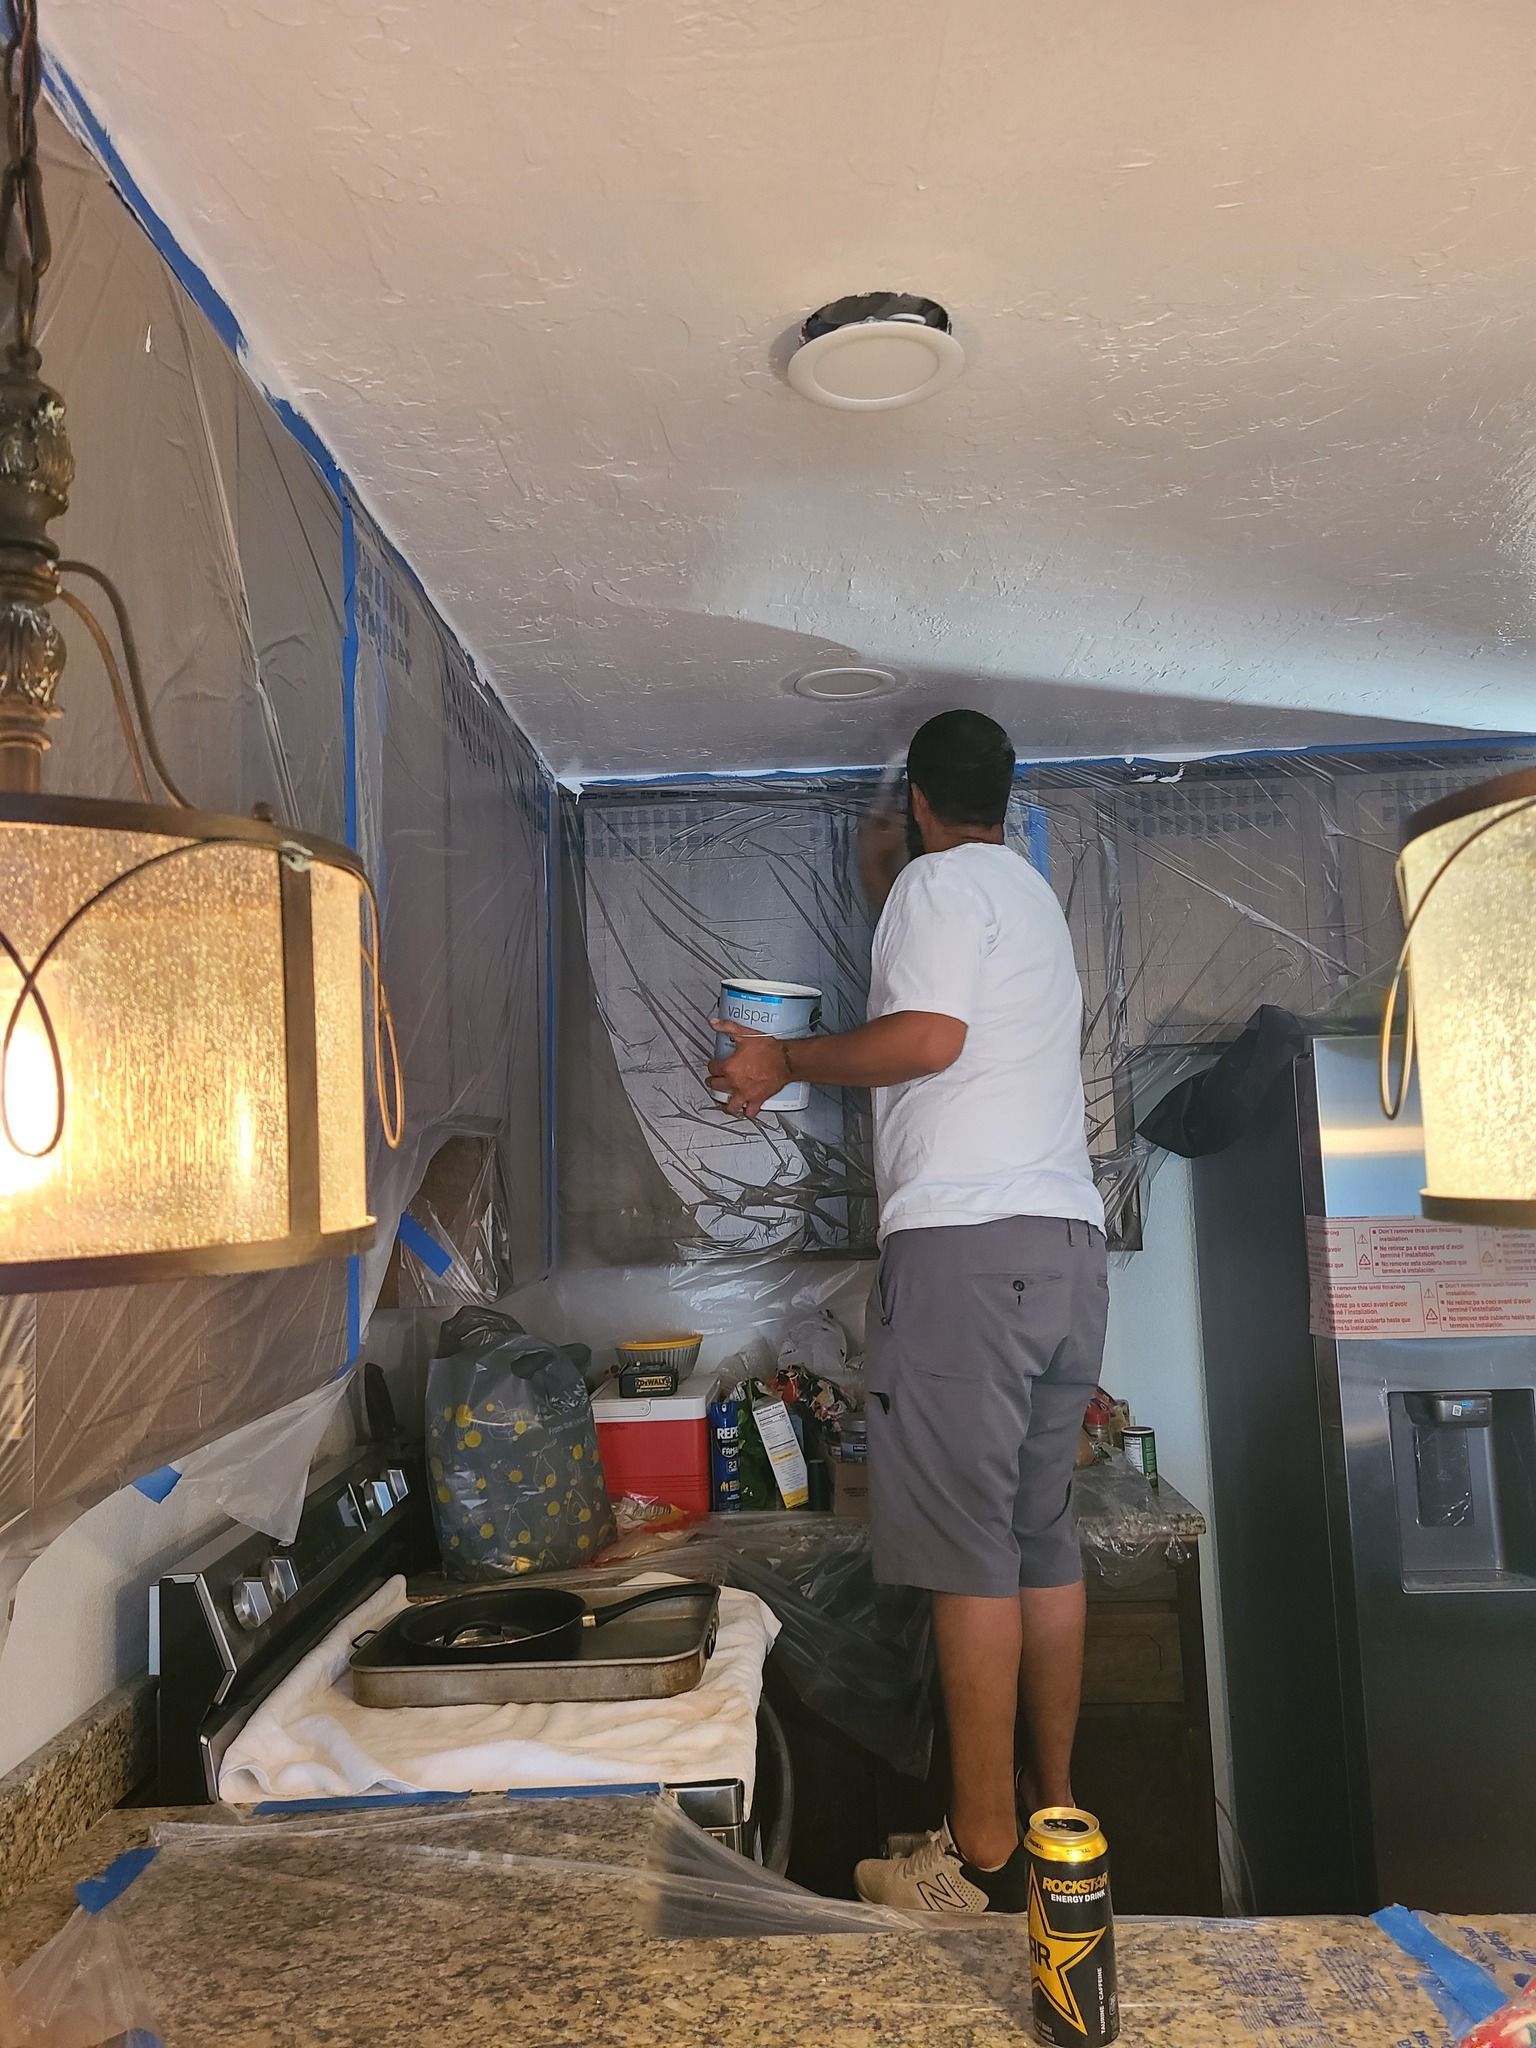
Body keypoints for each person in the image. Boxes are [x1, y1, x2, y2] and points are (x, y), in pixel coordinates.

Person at [708, 708, 1106, 1915]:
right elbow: (963, 1007)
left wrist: (783, 1062)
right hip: (1065, 1249)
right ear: (1003, 798)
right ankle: (1053, 1810)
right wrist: (898, 881)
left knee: (970, 1556)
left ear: (923, 801)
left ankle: (976, 1858)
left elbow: (930, 1036)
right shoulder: (1027, 901)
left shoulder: (939, 893)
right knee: (1038, 1535)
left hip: (967, 1253)